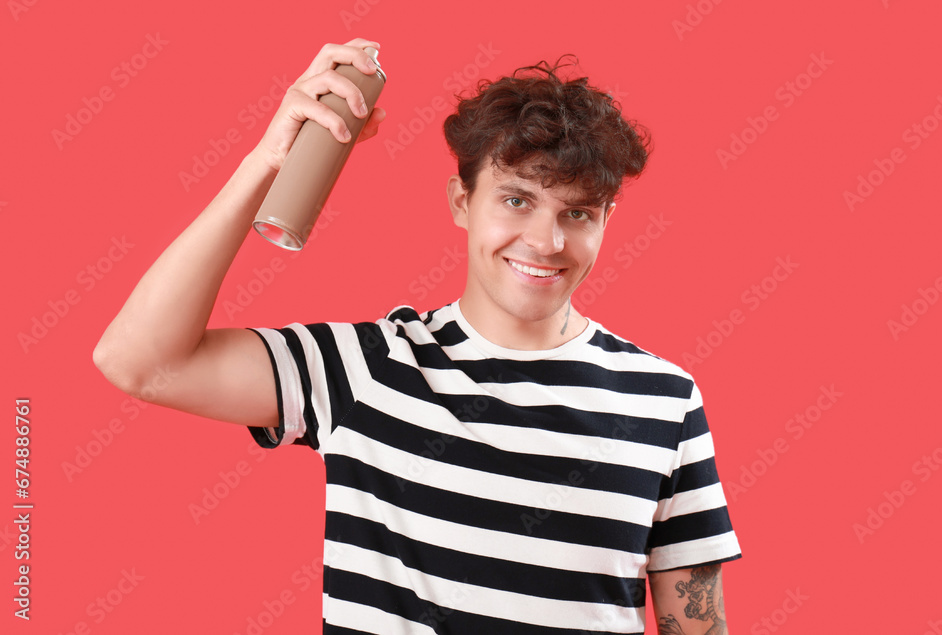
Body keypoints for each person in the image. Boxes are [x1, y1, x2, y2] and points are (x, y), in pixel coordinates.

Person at [94, 38, 741, 635]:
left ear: (607, 219)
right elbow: (139, 360)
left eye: (577, 213)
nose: (547, 243)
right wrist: (268, 161)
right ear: (462, 201)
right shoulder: (368, 367)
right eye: (516, 200)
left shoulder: (665, 400)